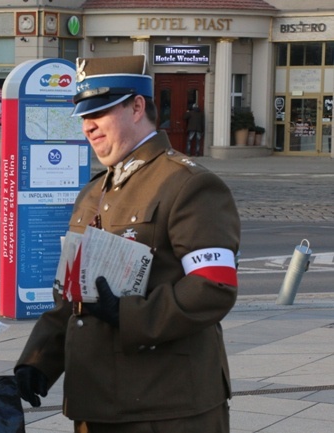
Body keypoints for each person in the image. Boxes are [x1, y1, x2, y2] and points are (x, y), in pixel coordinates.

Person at [14, 55, 240, 433]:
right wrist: (38, 360)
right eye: (84, 117)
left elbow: (213, 287)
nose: (88, 126)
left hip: (166, 408)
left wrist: (130, 314)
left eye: (99, 112)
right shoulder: (92, 193)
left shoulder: (188, 184)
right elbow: (74, 296)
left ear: (137, 107)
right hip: (97, 405)